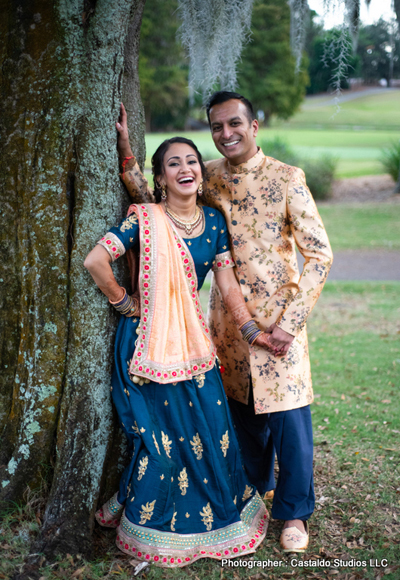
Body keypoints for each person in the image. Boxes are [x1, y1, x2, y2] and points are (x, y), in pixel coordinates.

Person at [116, 91, 333, 553]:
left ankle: (294, 512)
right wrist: (126, 152)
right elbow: (157, 203)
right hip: (223, 324)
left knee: (290, 422)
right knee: (241, 415)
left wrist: (290, 324)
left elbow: (320, 256)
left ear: (255, 126)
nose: (226, 133)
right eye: (217, 127)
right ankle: (253, 489)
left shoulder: (287, 178)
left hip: (278, 323)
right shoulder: (207, 175)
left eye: (235, 123)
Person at [84, 136, 272, 568]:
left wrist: (249, 329)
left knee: (212, 432)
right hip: (147, 345)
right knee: (161, 442)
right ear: (161, 176)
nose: (185, 168)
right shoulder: (144, 221)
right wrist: (123, 303)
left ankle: (195, 514)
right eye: (174, 163)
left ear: (201, 173)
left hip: (192, 345)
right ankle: (144, 514)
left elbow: (226, 287)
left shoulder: (213, 222)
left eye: (192, 161)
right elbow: (95, 260)